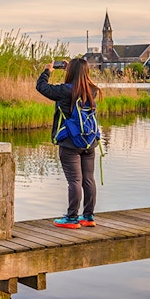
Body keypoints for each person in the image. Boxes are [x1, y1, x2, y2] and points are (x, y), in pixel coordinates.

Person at [36, 58, 101, 229]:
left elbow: (41, 87)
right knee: (88, 179)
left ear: (70, 72)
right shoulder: (92, 90)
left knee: (74, 181)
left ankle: (72, 218)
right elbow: (80, 82)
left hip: (70, 143)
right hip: (89, 142)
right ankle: (88, 217)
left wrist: (47, 70)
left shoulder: (65, 91)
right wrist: (72, 69)